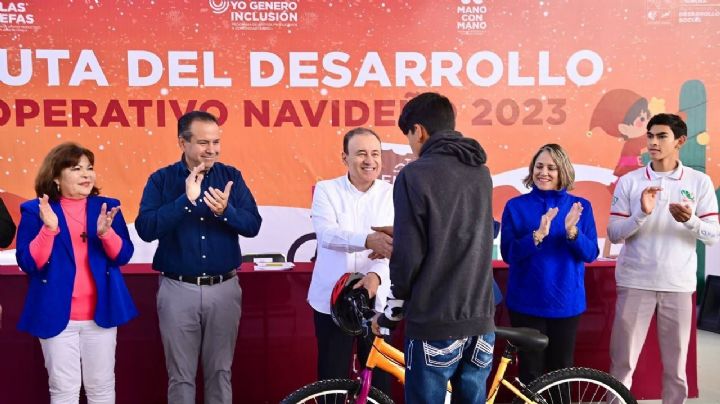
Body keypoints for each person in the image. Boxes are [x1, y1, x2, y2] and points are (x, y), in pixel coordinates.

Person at [372, 92, 496, 403]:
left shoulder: (415, 174)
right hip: (480, 321)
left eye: (409, 137)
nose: (411, 147)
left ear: (419, 130)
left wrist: (390, 313)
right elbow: (465, 232)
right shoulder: (480, 172)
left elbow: (409, 257)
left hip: (434, 319)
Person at [135, 110, 262, 404]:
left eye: (216, 142)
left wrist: (224, 212)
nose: (212, 150)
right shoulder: (161, 180)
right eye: (204, 143)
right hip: (178, 289)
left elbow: (253, 225)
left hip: (224, 289)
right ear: (183, 142)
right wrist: (185, 201)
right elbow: (145, 228)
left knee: (220, 371)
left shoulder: (231, 177)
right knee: (180, 376)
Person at [608, 113, 719, 404]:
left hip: (679, 285)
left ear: (680, 141)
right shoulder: (630, 181)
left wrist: (691, 221)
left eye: (662, 136)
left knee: (676, 371)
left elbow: (713, 235)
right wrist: (641, 214)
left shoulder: (699, 182)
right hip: (635, 282)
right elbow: (614, 233)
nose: (653, 142)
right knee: (622, 366)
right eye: (650, 136)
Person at [15, 142, 137, 404]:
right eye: (76, 168)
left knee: (102, 387)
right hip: (56, 314)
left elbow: (123, 256)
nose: (86, 174)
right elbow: (28, 263)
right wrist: (48, 229)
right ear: (56, 177)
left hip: (101, 313)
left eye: (89, 168)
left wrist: (106, 234)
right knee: (64, 390)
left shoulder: (107, 207)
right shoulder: (34, 211)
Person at [500, 144, 599, 385]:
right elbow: (508, 254)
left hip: (566, 303)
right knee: (529, 372)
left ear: (563, 171)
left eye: (551, 167)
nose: (543, 172)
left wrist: (572, 232)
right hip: (525, 303)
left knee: (561, 371)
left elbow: (590, 254)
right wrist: (536, 236)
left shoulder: (580, 206)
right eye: (539, 166)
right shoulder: (515, 206)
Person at [307, 127, 394, 394]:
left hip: (378, 300)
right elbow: (327, 235)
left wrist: (376, 277)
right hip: (332, 300)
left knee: (379, 377)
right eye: (361, 154)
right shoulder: (326, 190)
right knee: (331, 377)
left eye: (375, 154)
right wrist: (368, 240)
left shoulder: (393, 193)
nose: (369, 160)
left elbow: (392, 247)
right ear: (345, 158)